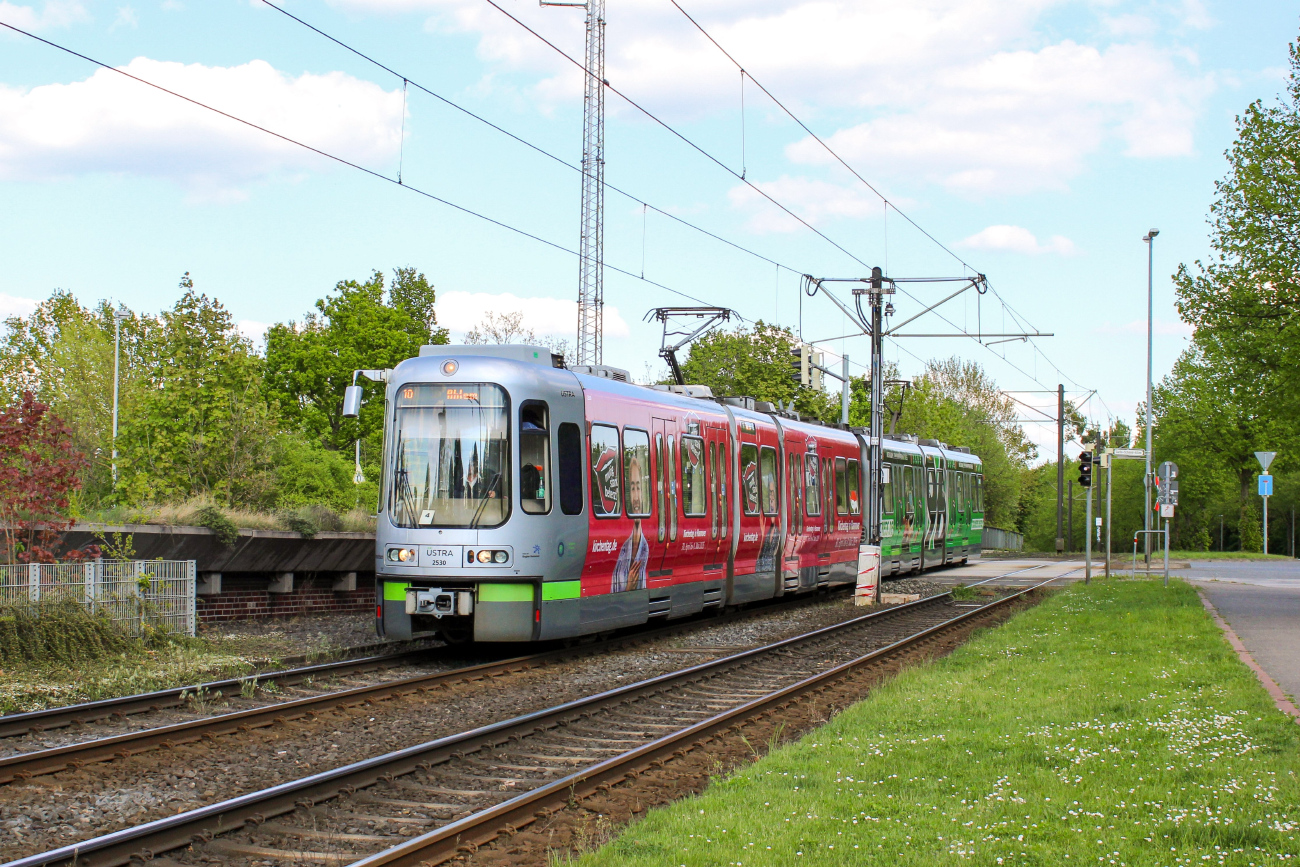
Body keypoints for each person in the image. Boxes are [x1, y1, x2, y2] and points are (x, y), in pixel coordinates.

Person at [611, 456, 650, 592]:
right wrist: (628, 589)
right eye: (632, 489)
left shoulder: (645, 549)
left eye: (639, 488)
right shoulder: (622, 549)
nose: (636, 498)